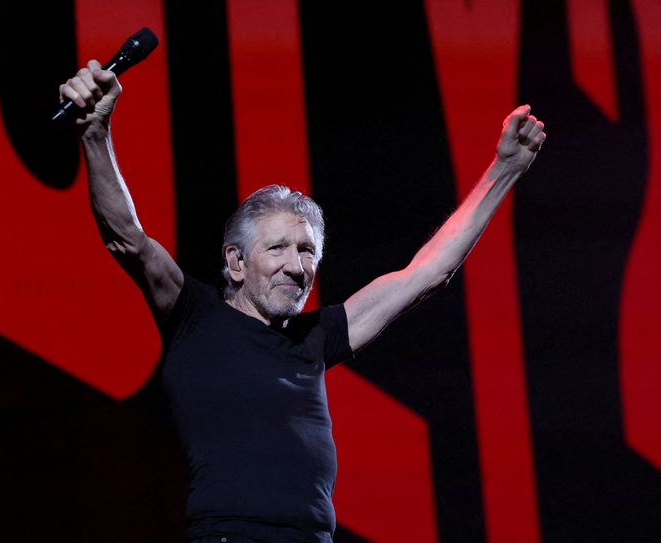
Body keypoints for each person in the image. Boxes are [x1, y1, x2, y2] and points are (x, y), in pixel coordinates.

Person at [59, 60, 546, 543]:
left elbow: (427, 274)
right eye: (278, 249)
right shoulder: (195, 317)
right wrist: (96, 134)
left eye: (308, 251)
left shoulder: (316, 336)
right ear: (235, 263)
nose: (297, 265)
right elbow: (128, 238)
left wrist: (502, 171)